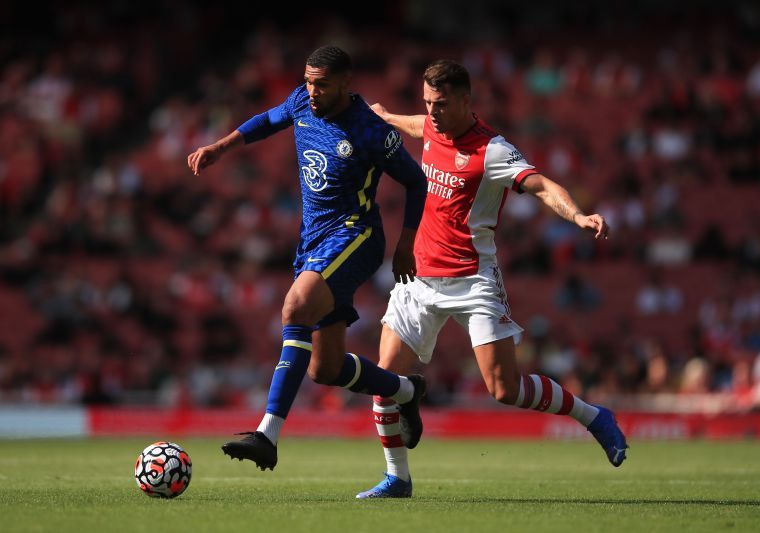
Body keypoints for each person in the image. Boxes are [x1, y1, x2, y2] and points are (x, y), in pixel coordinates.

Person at [357, 60, 628, 499]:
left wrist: (578, 214)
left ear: (466, 100)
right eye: (428, 103)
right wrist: (385, 116)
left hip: (472, 279)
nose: (434, 113)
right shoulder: (431, 126)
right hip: (418, 278)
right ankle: (398, 477)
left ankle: (594, 417)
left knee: (504, 389)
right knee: (383, 379)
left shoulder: (494, 150)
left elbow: (540, 185)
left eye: (441, 104)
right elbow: (414, 125)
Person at [187, 45, 427, 472]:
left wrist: (406, 244)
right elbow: (267, 121)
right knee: (326, 369)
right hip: (313, 241)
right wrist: (220, 147)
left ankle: (267, 434)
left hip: (356, 235)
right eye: (309, 81)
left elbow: (415, 181)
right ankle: (406, 392)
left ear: (345, 83)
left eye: (322, 84)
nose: (312, 91)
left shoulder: (370, 130)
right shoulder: (301, 100)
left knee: (295, 307)